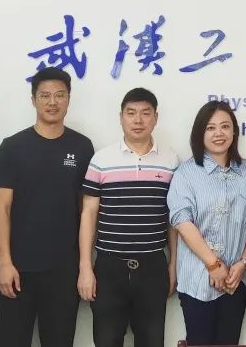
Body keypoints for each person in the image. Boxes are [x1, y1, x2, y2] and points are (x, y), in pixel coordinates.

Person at [0, 67, 94, 347]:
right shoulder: (12, 147)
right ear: (33, 100)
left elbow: (86, 211)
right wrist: (5, 264)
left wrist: (84, 266)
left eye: (60, 95)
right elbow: (1, 209)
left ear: (69, 99)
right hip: (17, 269)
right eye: (45, 95)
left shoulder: (82, 147)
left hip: (64, 271)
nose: (52, 102)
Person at [79, 87, 180, 347]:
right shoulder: (102, 159)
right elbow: (89, 214)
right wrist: (85, 267)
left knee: (152, 341)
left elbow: (174, 218)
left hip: (153, 267)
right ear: (121, 117)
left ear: (155, 117)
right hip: (109, 267)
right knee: (106, 341)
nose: (138, 120)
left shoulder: (170, 160)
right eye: (131, 113)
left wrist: (173, 264)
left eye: (146, 113)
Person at [167, 101, 246, 344]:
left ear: (234, 132)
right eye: (210, 128)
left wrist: (244, 262)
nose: (219, 133)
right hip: (196, 279)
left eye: (225, 126)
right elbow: (182, 221)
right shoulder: (186, 173)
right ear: (200, 133)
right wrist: (213, 264)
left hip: (235, 281)